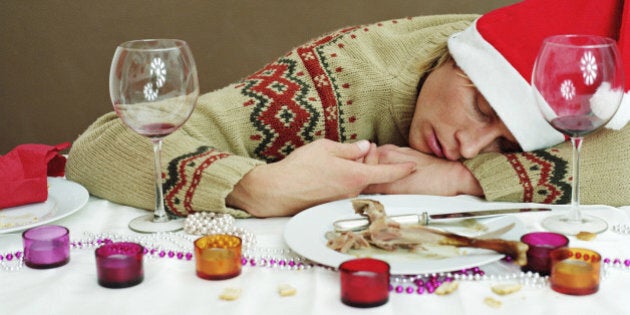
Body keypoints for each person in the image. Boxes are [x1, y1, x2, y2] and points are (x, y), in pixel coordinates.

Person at [66, 0, 630, 218]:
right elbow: (102, 145)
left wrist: (464, 179)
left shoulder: (575, 96)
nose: (470, 143)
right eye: (481, 109)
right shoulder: (349, 75)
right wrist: (254, 187)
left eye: (506, 144)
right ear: (454, 62)